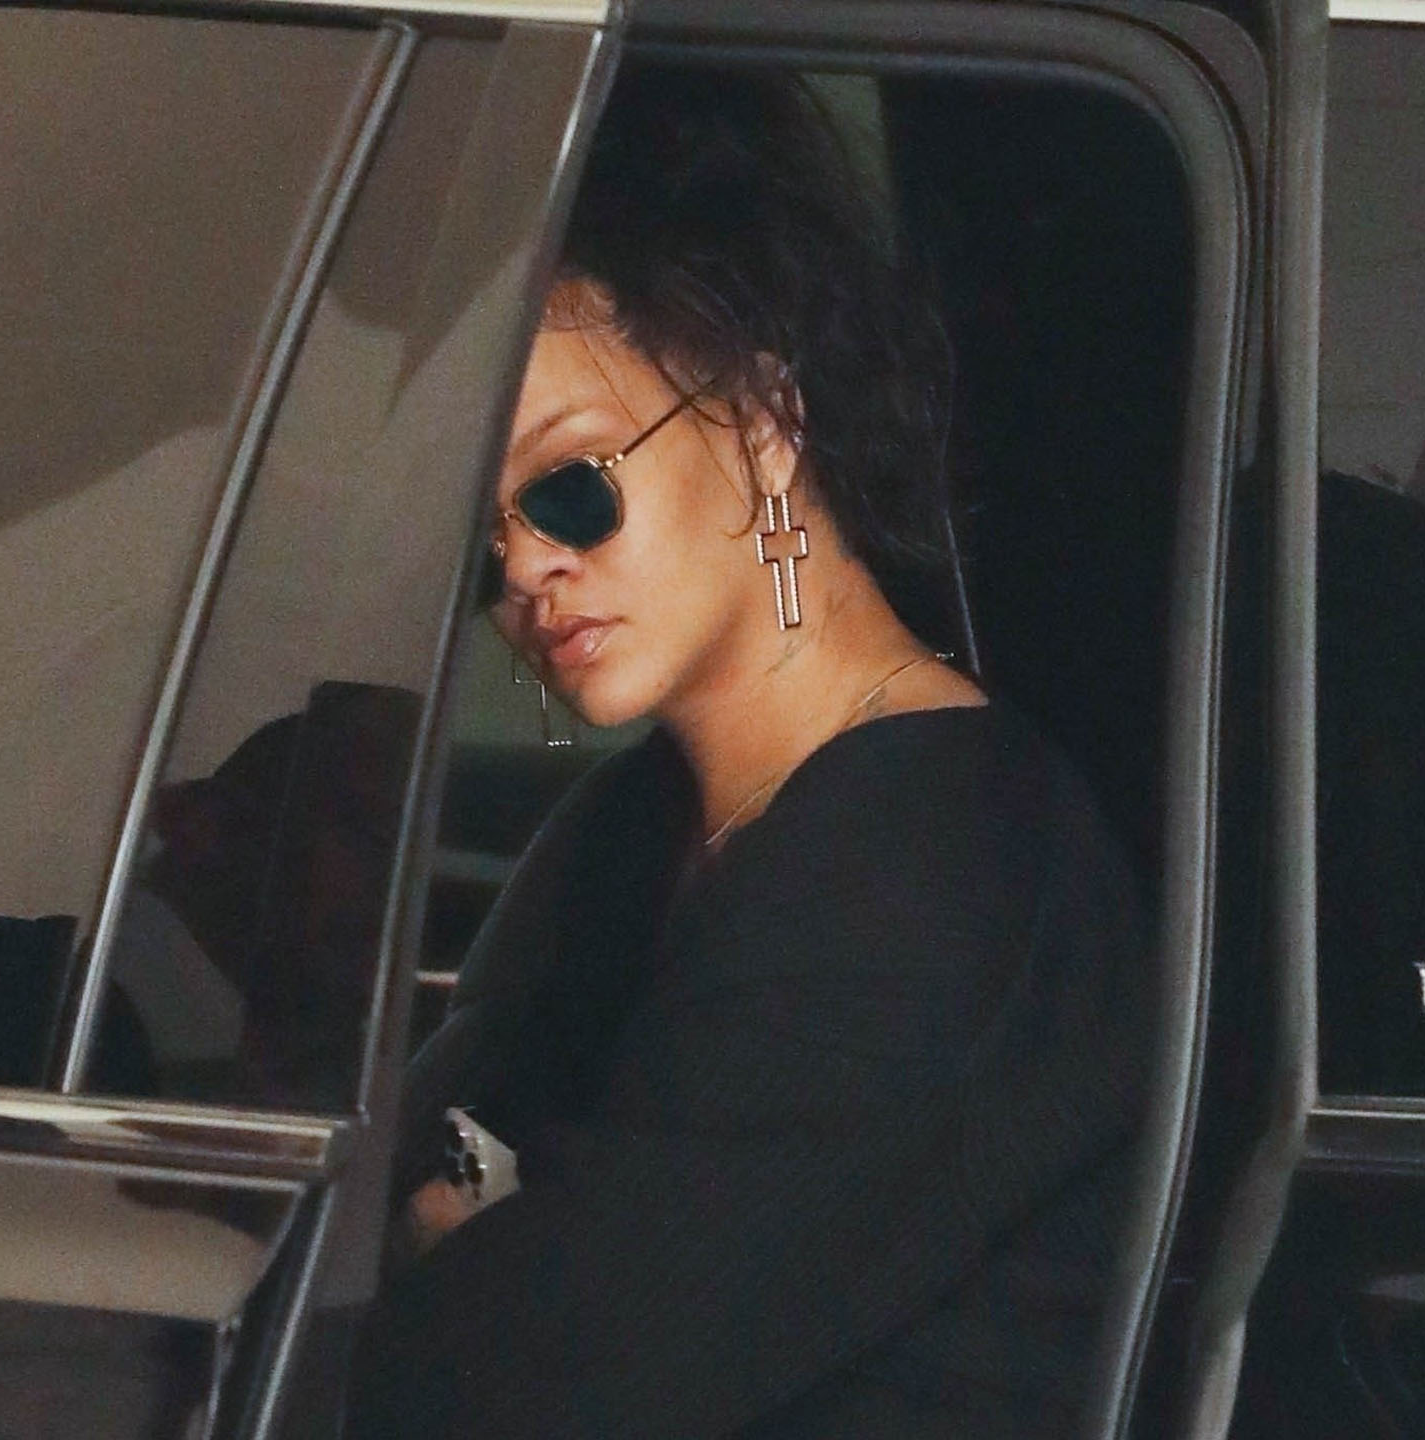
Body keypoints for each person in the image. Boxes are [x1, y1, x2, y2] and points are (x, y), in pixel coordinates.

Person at [345, 64, 1148, 1439]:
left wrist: (465, 1241)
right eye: (483, 546)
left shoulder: (934, 859)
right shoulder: (625, 830)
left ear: (764, 425)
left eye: (570, 487)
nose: (526, 567)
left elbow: (537, 1375)